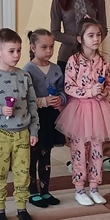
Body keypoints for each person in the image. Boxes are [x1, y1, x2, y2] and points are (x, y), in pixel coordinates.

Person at [0, 29, 40, 220]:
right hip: (1, 134)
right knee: (0, 172)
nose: (16, 55)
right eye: (11, 51)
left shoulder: (24, 76)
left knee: (23, 173)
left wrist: (34, 130)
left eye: (19, 50)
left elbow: (32, 105)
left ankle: (22, 207)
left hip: (22, 133)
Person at [55, 18, 110, 207]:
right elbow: (68, 87)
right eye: (91, 35)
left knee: (97, 150)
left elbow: (109, 85)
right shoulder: (73, 61)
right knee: (79, 151)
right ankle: (79, 189)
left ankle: (94, 187)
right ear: (80, 38)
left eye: (98, 35)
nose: (96, 39)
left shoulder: (104, 62)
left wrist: (104, 93)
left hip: (99, 111)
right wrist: (89, 92)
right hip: (79, 111)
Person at [24, 28, 66, 207]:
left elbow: (64, 91)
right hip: (35, 118)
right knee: (32, 155)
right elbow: (25, 98)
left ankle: (45, 190)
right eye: (44, 47)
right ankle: (32, 192)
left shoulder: (56, 68)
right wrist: (43, 101)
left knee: (46, 153)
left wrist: (60, 100)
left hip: (50, 117)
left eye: (51, 47)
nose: (49, 51)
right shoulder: (28, 70)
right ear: (33, 48)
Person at [49, 0, 108, 73]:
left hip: (91, 57)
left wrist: (91, 42)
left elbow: (104, 29)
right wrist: (78, 40)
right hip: (66, 57)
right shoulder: (58, 1)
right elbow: (55, 33)